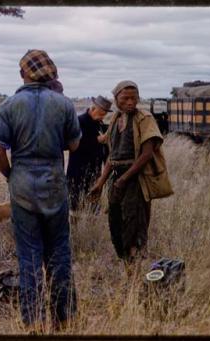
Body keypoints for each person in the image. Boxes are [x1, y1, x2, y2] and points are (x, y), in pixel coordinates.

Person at [0, 49, 81, 332]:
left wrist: (12, 176)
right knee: (59, 255)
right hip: (54, 185)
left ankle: (33, 323)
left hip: (22, 188)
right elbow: (74, 145)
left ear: (22, 74)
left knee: (28, 258)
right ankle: (64, 319)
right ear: (50, 73)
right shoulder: (64, 104)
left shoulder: (8, 105)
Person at [89, 80, 173, 263]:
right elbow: (113, 155)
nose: (129, 102)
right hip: (117, 180)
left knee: (134, 226)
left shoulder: (144, 118)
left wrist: (124, 179)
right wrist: (101, 182)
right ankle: (127, 265)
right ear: (116, 98)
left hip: (136, 181)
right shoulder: (116, 119)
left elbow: (146, 154)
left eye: (133, 98)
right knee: (116, 223)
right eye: (124, 98)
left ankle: (134, 273)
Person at [66, 95, 112, 211]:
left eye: (104, 115)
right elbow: (75, 145)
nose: (102, 117)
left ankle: (91, 224)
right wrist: (98, 140)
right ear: (93, 109)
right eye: (101, 114)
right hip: (78, 171)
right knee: (75, 206)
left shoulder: (99, 124)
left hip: (95, 171)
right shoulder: (79, 121)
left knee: (93, 204)